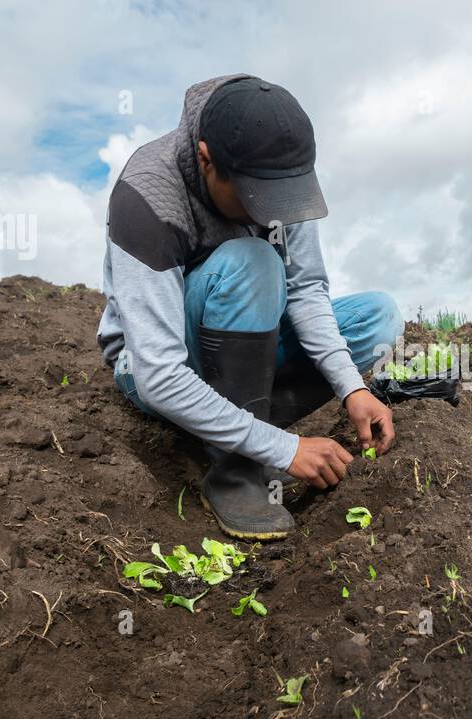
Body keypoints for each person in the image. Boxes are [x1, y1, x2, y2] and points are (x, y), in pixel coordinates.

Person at [97, 75, 402, 541]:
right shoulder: (146, 197)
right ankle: (235, 470)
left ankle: (218, 426)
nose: (267, 214)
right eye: (253, 197)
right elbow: (158, 372)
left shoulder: (277, 174)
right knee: (253, 261)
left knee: (379, 318)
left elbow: (305, 291)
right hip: (152, 366)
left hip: (245, 342)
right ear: (206, 159)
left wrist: (350, 389)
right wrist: (282, 448)